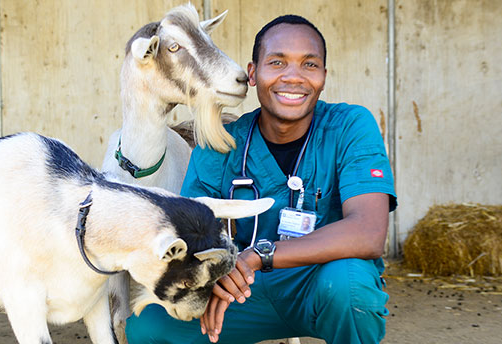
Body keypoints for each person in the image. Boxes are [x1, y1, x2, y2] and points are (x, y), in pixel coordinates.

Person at [125, 14, 396, 344]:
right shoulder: (219, 144)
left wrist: (260, 254)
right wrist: (216, 272)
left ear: (324, 77)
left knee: (352, 288)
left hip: (318, 282)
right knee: (149, 327)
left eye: (309, 65)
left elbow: (368, 233)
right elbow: (193, 241)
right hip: (240, 291)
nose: (293, 77)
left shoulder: (350, 126)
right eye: (277, 62)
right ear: (253, 73)